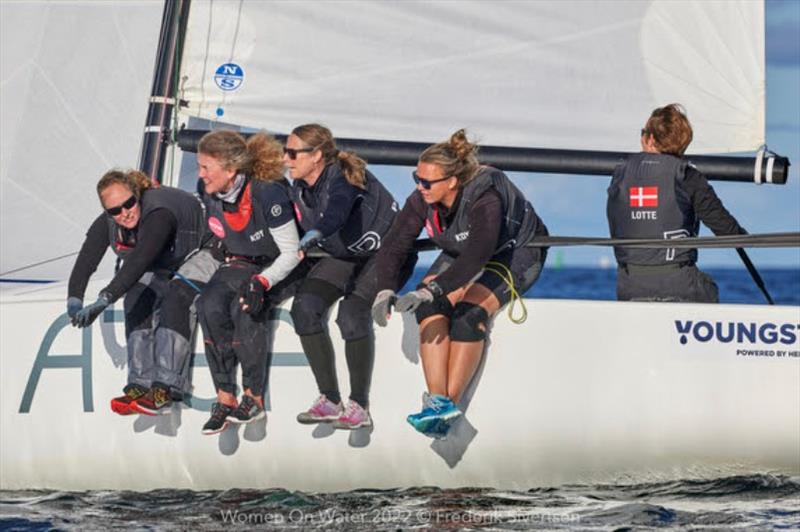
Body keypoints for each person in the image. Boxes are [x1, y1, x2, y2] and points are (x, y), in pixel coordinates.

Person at [371, 129, 548, 438]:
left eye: (427, 182)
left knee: (468, 315)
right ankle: (437, 403)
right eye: (416, 178)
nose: (419, 187)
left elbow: (478, 255)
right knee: (429, 307)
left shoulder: (485, 198)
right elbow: (394, 246)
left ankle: (448, 407)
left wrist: (432, 288)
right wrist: (385, 289)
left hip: (515, 253)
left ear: (452, 181)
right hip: (462, 252)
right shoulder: (421, 200)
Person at [286, 123, 415, 430]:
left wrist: (319, 231)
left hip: (387, 255)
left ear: (316, 155)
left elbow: (338, 209)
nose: (285, 159)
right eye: (283, 151)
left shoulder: (342, 175)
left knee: (351, 313)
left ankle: (360, 406)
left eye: (292, 152)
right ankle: (330, 400)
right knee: (304, 308)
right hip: (345, 256)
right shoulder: (299, 188)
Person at [68, 169, 207, 416]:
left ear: (137, 195)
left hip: (203, 250)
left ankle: (166, 387)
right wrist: (74, 299)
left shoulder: (158, 213)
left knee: (177, 297)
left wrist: (105, 298)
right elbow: (86, 260)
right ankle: (140, 385)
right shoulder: (110, 221)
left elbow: (139, 261)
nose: (125, 213)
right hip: (165, 262)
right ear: (107, 212)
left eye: (129, 204)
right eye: (115, 211)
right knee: (135, 297)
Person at [193, 129, 304, 435]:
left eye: (206, 167)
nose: (200, 174)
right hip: (240, 261)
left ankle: (253, 397)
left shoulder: (267, 192)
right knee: (208, 304)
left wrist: (263, 282)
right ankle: (224, 397)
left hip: (281, 264)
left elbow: (292, 253)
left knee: (246, 303)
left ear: (231, 169)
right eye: (199, 167)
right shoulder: (209, 192)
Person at [607, 103, 747, 302]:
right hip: (680, 285)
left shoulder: (619, 174)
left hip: (629, 285)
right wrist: (743, 236)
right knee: (710, 289)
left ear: (650, 139)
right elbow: (725, 229)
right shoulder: (687, 176)